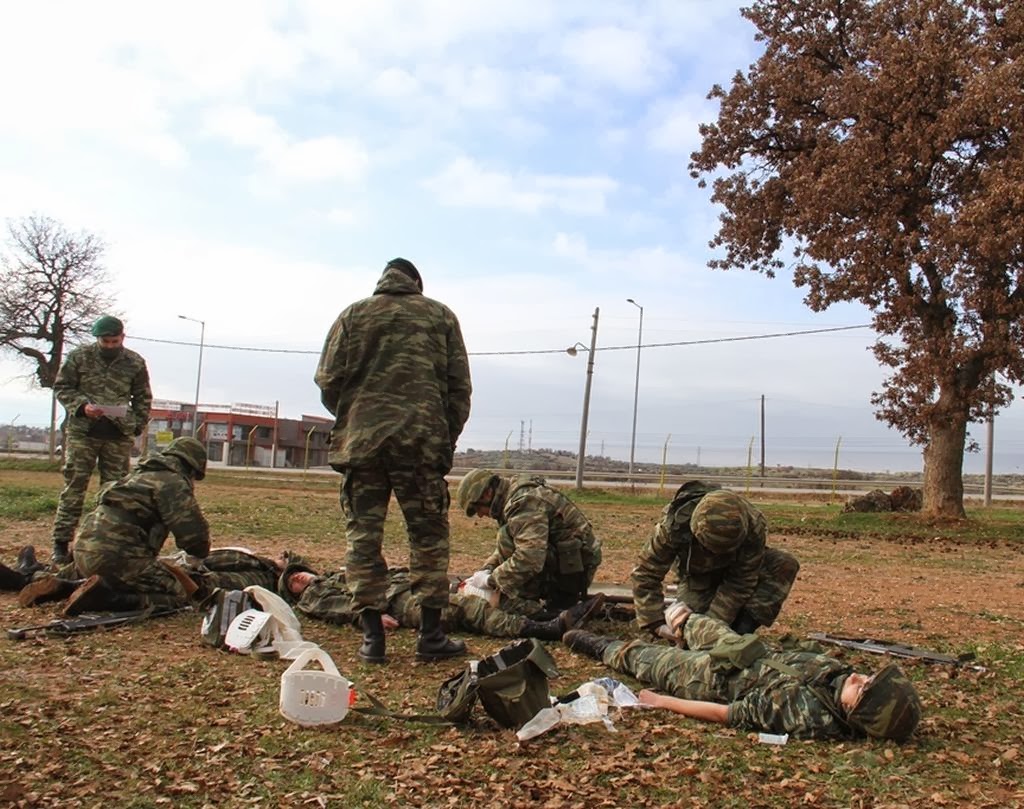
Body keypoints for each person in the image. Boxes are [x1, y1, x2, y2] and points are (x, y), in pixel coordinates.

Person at [314, 257, 472, 664]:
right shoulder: (440, 317)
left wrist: (356, 418)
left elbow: (328, 381)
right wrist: (442, 433)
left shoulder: (353, 315)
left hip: (363, 447)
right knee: (429, 539)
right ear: (416, 282)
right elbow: (459, 389)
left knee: (363, 539)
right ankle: (430, 636)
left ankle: (372, 639)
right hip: (421, 445)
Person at [562, 610, 922, 742]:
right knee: (686, 617)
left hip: (714, 677)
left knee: (642, 658)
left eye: (863, 690)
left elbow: (727, 714)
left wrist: (661, 701)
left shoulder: (804, 714)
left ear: (854, 715)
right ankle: (663, 627)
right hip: (744, 650)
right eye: (868, 677)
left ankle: (590, 641)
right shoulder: (838, 676)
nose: (859, 677)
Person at [21, 437, 212, 615]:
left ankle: (58, 583)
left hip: (84, 552)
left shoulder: (134, 477)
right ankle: (108, 599)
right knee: (185, 594)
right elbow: (195, 540)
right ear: (191, 468)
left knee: (108, 574)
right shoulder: (173, 483)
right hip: (117, 559)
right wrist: (198, 556)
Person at [277, 558, 606, 641]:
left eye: (299, 574)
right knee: (468, 610)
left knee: (492, 596)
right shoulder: (314, 596)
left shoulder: (335, 575)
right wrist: (367, 618)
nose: (300, 579)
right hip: (398, 604)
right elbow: (338, 607)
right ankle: (545, 628)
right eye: (293, 583)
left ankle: (559, 612)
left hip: (410, 585)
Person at [631, 481, 799, 637]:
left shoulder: (753, 526)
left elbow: (741, 582)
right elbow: (646, 573)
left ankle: (741, 631)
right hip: (698, 578)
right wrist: (656, 623)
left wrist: (714, 625)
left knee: (784, 563)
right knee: (689, 628)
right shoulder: (673, 526)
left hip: (735, 570)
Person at [50, 315, 152, 564]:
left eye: (113, 341)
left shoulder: (134, 362)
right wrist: (82, 406)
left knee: (115, 493)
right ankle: (61, 544)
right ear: (97, 339)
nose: (108, 345)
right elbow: (62, 387)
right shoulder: (79, 357)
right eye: (104, 341)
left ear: (122, 338)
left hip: (117, 436)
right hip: (83, 433)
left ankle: (106, 544)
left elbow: (143, 397)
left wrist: (136, 425)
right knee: (74, 488)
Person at [456, 469, 603, 618]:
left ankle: (547, 612)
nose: (480, 515)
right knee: (506, 537)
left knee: (504, 538)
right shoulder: (513, 493)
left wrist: (491, 580)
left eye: (478, 508)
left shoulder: (523, 503)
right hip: (568, 561)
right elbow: (516, 543)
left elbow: (529, 558)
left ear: (487, 493)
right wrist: (486, 569)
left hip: (574, 570)